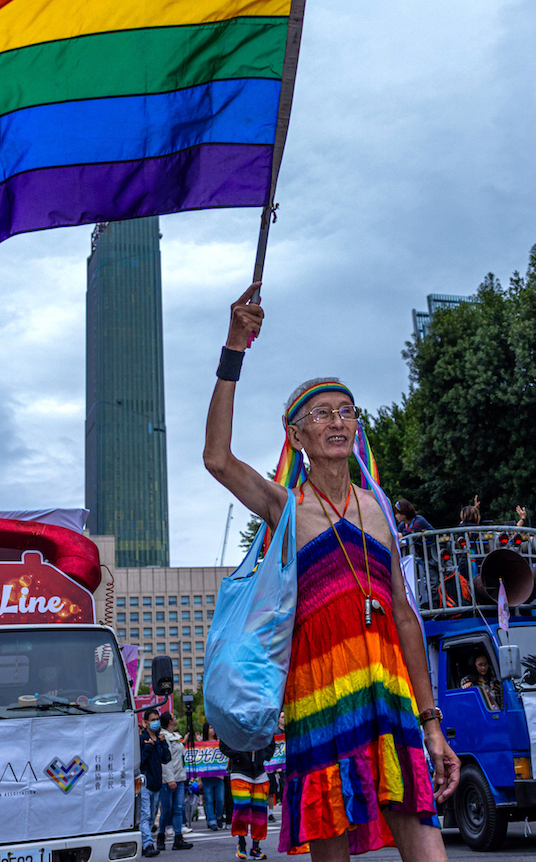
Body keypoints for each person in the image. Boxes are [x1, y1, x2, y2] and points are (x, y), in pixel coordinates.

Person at [202, 285, 459, 860]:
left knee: (428, 848)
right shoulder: (287, 509)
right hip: (319, 701)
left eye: (346, 411)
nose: (337, 421)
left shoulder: (378, 511)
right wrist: (234, 348)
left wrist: (433, 724)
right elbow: (217, 458)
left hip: (389, 699)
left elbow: (405, 619)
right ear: (297, 435)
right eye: (322, 413)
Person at [219, 739, 275, 861]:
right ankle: (241, 842)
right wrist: (239, 755)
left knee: (260, 812)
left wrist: (265, 755)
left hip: (260, 772)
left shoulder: (262, 721)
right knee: (242, 807)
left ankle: (256, 847)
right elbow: (224, 743)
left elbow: (270, 738)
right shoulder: (234, 721)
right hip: (239, 771)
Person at [155, 711, 190, 852]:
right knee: (167, 809)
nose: (175, 719)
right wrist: (170, 779)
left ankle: (178, 838)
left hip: (180, 777)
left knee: (178, 808)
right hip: (169, 779)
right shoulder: (164, 736)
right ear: (169, 721)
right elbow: (166, 760)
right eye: (174, 717)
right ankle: (161, 836)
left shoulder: (176, 736)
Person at [140, 713, 170, 858]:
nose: (156, 723)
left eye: (157, 720)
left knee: (152, 816)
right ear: (146, 722)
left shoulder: (160, 738)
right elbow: (139, 762)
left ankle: (143, 843)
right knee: (145, 815)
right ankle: (148, 844)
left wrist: (163, 743)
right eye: (153, 720)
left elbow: (166, 759)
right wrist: (148, 748)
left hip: (156, 783)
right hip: (145, 783)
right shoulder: (142, 738)